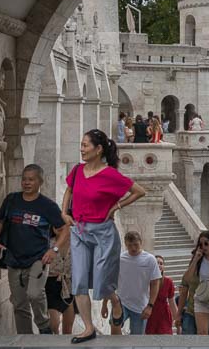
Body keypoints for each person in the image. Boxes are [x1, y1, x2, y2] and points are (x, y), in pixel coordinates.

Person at [62, 130, 147, 343]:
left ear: (98, 149)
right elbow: (69, 190)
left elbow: (139, 191)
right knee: (79, 280)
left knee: (102, 281)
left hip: (103, 232)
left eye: (85, 145)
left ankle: (115, 301)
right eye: (81, 145)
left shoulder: (110, 174)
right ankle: (89, 328)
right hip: (80, 231)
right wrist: (64, 212)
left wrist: (117, 206)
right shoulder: (78, 170)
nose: (81, 149)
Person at [0, 164, 67, 335]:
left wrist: (53, 250)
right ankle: (25, 339)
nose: (26, 182)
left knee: (34, 294)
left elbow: (64, 230)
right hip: (13, 259)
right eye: (24, 179)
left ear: (40, 181)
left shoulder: (48, 206)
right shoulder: (12, 200)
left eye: (31, 179)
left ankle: (44, 327)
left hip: (38, 260)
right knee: (19, 303)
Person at [103, 231, 161, 335]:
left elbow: (155, 283)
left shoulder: (150, 260)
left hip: (140, 306)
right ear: (125, 244)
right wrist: (104, 304)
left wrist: (150, 306)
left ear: (141, 242)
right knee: (114, 330)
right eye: (130, 245)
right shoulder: (120, 259)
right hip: (121, 303)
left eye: (136, 245)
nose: (133, 248)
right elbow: (111, 283)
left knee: (137, 338)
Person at [175, 248, 209, 335]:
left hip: (208, 313)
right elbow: (183, 293)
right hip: (191, 312)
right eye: (194, 256)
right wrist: (178, 314)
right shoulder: (190, 272)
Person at [46, 242, 76, 334]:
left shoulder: (76, 242)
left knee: (68, 330)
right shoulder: (48, 242)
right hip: (51, 285)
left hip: (68, 286)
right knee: (53, 325)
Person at [145, 255, 178, 334]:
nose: (159, 265)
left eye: (161, 263)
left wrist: (178, 319)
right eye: (156, 263)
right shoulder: (146, 281)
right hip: (150, 316)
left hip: (164, 316)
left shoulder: (168, 282)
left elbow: (172, 303)